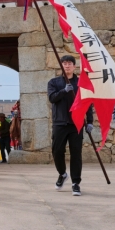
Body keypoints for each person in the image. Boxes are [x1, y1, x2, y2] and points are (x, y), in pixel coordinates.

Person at [47, 55, 94, 196]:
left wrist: (90, 121)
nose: (67, 66)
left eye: (69, 63)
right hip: (60, 122)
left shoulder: (81, 83)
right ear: (61, 66)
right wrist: (64, 91)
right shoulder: (53, 82)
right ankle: (62, 174)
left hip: (76, 123)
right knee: (57, 151)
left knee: (76, 153)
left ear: (74, 66)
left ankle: (76, 183)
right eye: (64, 63)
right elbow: (52, 98)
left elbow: (88, 103)